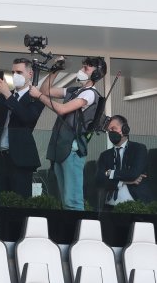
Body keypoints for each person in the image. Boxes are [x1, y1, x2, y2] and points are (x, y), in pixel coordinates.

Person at [29, 56, 107, 210]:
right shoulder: (75, 90)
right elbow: (46, 90)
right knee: (66, 201)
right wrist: (56, 70)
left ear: (97, 74)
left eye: (86, 68)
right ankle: (70, 231)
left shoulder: (90, 94)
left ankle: (78, 232)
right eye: (83, 66)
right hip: (62, 148)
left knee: (73, 200)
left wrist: (38, 96)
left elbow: (62, 108)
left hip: (73, 150)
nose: (82, 70)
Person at [0, 58, 44, 198]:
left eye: (19, 72)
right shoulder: (3, 97)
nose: (15, 76)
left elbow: (27, 118)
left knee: (20, 201)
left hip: (20, 158)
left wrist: (7, 94)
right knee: (0, 201)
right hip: (0, 157)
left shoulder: (35, 97)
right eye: (13, 72)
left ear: (30, 74)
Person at [96, 115, 150, 209]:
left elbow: (134, 173)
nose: (111, 133)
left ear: (125, 129)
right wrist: (124, 182)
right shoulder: (105, 155)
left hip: (134, 205)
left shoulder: (139, 149)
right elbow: (100, 180)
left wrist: (109, 173)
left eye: (113, 128)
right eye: (109, 130)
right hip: (109, 206)